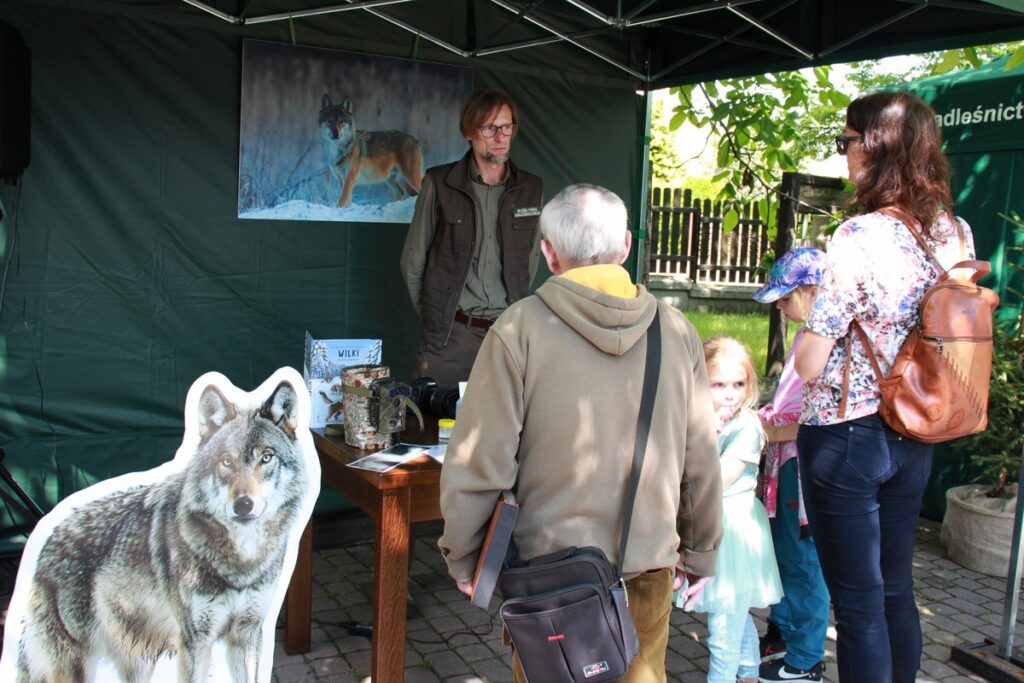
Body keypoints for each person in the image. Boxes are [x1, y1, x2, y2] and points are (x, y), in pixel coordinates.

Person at [437, 184, 723, 682]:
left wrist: (465, 557)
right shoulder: (676, 332)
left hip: (550, 579)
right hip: (647, 566)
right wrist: (700, 551)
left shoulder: (517, 329)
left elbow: (482, 460)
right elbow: (699, 455)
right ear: (627, 247)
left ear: (548, 253)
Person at [793, 91, 977, 683]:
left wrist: (804, 325)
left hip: (847, 435)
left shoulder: (859, 235)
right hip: (917, 426)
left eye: (847, 141)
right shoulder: (956, 232)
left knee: (858, 604)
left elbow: (812, 362)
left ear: (876, 147)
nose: (844, 153)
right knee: (896, 587)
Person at [400, 88, 544, 390]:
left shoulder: (531, 188)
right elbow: (413, 261)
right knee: (433, 429)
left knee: (502, 432)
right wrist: (438, 317)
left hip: (507, 334)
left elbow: (530, 260)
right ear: (469, 132)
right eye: (490, 128)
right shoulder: (440, 183)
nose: (501, 137)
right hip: (451, 337)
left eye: (507, 127)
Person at [679, 336, 782, 683]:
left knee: (724, 626)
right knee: (735, 616)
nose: (730, 393)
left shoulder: (746, 428)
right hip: (713, 523)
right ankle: (750, 674)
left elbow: (712, 481)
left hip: (732, 531)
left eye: (738, 384)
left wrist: (703, 436)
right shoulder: (699, 419)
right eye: (718, 384)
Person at [752, 247, 830, 683]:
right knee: (781, 553)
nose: (781, 307)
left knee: (804, 562)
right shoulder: (806, 335)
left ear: (812, 290)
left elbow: (814, 421)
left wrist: (759, 430)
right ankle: (780, 634)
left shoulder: (830, 341)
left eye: (786, 298)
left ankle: (805, 659)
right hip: (783, 469)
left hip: (802, 468)